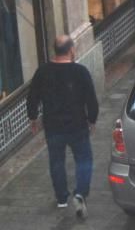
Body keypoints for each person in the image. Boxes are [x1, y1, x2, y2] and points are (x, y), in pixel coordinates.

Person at [26, 35, 99, 219]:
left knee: (56, 161)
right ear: (71, 50)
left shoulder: (43, 71)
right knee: (84, 159)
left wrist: (33, 118)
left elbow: (32, 97)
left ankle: (61, 198)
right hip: (77, 125)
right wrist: (92, 119)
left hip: (53, 126)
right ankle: (80, 192)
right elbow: (91, 99)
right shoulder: (80, 72)